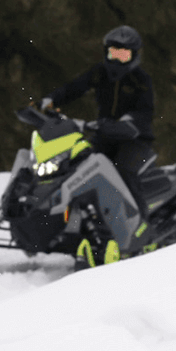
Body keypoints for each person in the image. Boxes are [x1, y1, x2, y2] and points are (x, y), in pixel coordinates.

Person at [41, 25, 156, 232]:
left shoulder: (141, 80)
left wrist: (129, 121)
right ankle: (72, 224)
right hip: (104, 136)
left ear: (134, 56)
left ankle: (141, 227)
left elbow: (146, 111)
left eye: (123, 55)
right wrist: (52, 100)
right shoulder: (99, 73)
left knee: (123, 172)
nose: (116, 60)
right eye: (113, 53)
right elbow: (75, 87)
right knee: (76, 167)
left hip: (135, 140)